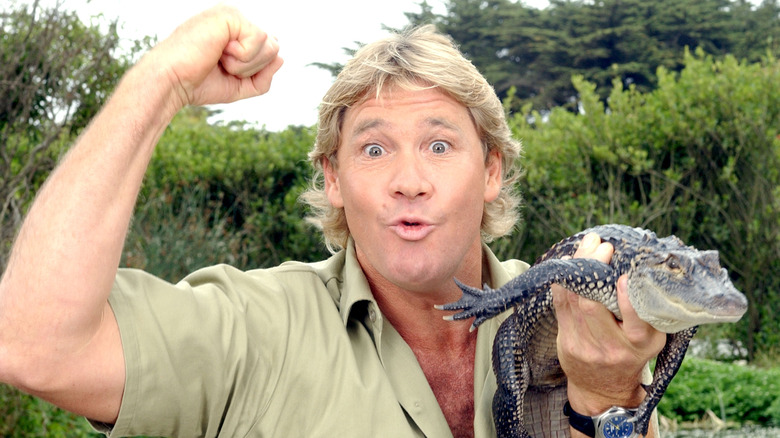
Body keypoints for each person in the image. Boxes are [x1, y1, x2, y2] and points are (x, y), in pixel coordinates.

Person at [0, 6, 666, 438]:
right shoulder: (250, 329)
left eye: (440, 144)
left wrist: (603, 396)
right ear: (333, 178)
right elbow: (32, 346)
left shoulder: (573, 311)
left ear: (490, 170)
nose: (409, 180)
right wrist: (161, 80)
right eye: (374, 148)